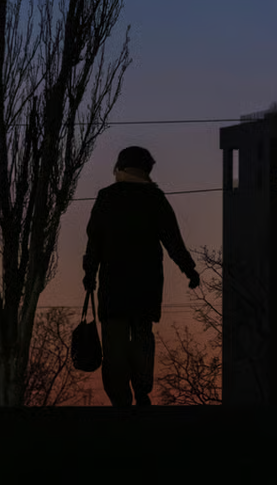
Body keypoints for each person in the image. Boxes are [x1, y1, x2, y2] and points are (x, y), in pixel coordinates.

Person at [82, 146, 201, 407]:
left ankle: (120, 398)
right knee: (142, 338)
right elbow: (173, 239)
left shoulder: (107, 198)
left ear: (120, 168)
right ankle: (142, 389)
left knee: (115, 343)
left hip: (113, 286)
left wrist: (89, 272)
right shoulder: (155, 199)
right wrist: (188, 269)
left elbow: (95, 241)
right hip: (146, 286)